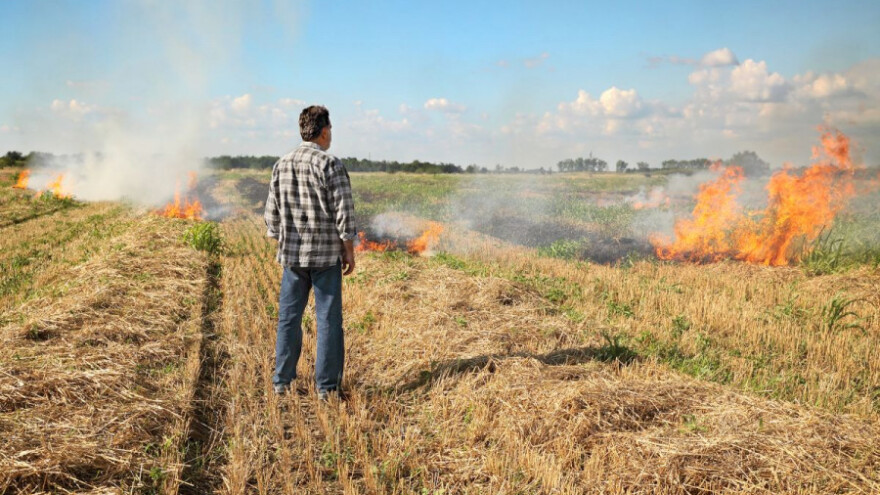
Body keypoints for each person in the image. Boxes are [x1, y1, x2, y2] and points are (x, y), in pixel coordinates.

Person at [265, 105, 356, 400]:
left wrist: (283, 239)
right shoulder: (330, 165)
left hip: (292, 257)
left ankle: (282, 382)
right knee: (328, 320)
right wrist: (349, 250)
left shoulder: (282, 164)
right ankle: (327, 389)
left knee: (289, 318)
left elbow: (271, 215)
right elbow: (344, 214)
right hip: (325, 258)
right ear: (325, 130)